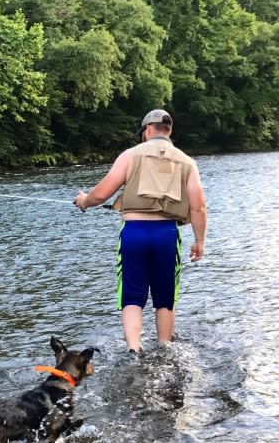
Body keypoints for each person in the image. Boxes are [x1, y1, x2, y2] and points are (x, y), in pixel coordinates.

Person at [73, 108, 207, 353]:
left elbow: (102, 193)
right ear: (169, 131)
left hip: (134, 233)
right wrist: (199, 242)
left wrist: (83, 201)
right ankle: (165, 349)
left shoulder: (130, 155)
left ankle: (134, 351)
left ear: (147, 130)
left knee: (132, 297)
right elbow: (198, 207)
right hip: (167, 235)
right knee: (165, 299)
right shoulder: (187, 162)